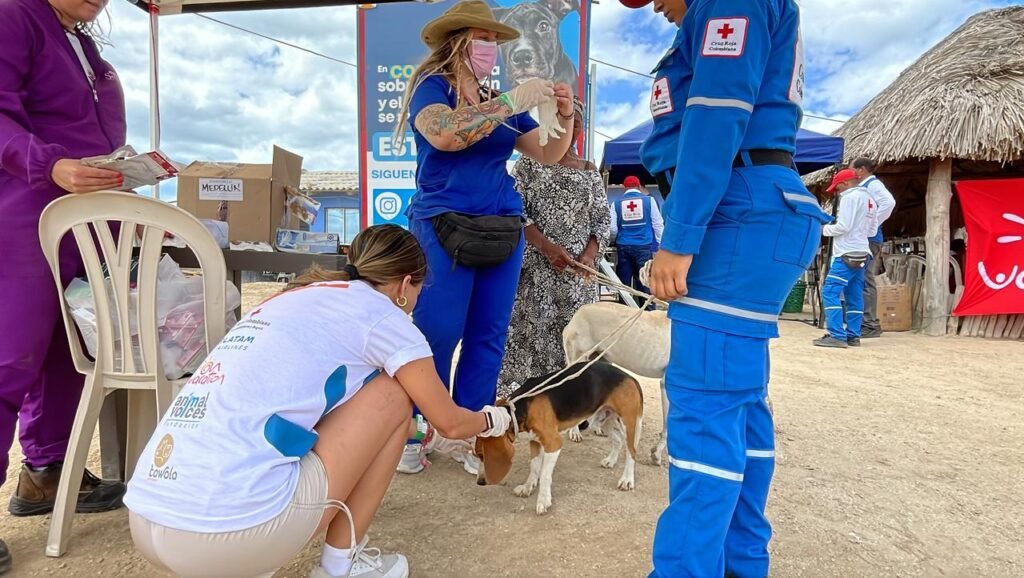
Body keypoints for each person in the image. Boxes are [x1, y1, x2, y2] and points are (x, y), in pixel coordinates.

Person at [123, 225, 512, 578]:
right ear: (405, 285)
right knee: (395, 393)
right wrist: (496, 418)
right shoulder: (385, 319)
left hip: (147, 517)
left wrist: (419, 430)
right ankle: (341, 567)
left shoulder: (292, 297)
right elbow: (452, 423)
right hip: (227, 535)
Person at [616, 0, 833, 575]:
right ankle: (741, 563)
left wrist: (680, 236)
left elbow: (715, 113)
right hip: (760, 205)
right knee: (739, 407)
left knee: (706, 411)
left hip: (734, 213)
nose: (652, 8)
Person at [393, 0, 576, 475]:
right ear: (456, 41)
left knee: (488, 337)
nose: (491, 48)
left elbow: (548, 153)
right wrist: (513, 101)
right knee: (435, 334)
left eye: (495, 40)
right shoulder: (432, 89)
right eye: (483, 38)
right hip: (443, 226)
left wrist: (566, 114)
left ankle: (469, 434)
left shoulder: (496, 97)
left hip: (502, 229)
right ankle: (416, 429)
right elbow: (445, 135)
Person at [0, 0, 129, 571]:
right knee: (10, 356)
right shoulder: (14, 15)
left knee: (68, 350)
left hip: (85, 218)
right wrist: (49, 163)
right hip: (23, 212)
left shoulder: (81, 40)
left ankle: (45, 474)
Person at [497, 97, 610, 398]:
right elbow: (516, 212)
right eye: (560, 122)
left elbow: (601, 220)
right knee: (531, 334)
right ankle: (527, 400)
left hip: (578, 278)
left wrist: (588, 256)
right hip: (537, 271)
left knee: (576, 339)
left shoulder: (589, 170)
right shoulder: (527, 165)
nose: (568, 129)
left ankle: (574, 402)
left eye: (574, 123)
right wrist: (547, 247)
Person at [814, 169, 877, 349]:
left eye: (838, 188)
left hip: (846, 254)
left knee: (830, 292)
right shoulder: (870, 199)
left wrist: (822, 229)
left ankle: (836, 335)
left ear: (847, 183)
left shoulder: (850, 197)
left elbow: (843, 227)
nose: (837, 192)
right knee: (854, 295)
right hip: (863, 252)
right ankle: (853, 335)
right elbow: (872, 231)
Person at [850, 157, 896, 339]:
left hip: (869, 238)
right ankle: (863, 320)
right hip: (866, 237)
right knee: (860, 278)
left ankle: (869, 323)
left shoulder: (873, 185)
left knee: (865, 279)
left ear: (861, 170)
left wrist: (872, 223)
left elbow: (889, 203)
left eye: (852, 169)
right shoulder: (864, 187)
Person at [609, 175, 664, 297]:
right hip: (643, 246)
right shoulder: (649, 201)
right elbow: (658, 224)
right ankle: (647, 312)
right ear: (639, 187)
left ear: (624, 188)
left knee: (624, 284)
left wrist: (613, 240)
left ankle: (624, 311)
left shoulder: (615, 204)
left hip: (623, 247)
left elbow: (612, 228)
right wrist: (661, 244)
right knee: (644, 282)